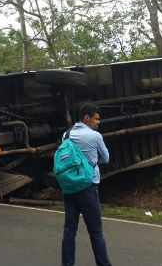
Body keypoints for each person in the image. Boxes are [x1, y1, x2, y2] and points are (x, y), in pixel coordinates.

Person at [61, 104, 111, 266]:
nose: (98, 122)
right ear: (86, 118)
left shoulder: (66, 135)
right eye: (96, 118)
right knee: (96, 232)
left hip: (69, 187)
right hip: (88, 188)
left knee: (69, 230)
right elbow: (106, 159)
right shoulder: (95, 136)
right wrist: (93, 158)